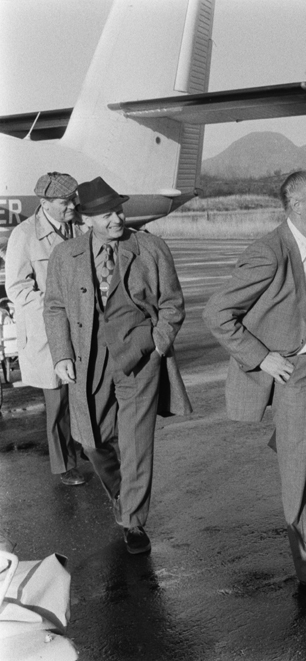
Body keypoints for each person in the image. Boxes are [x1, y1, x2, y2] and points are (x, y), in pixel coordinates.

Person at [203, 170, 306, 596]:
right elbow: (217, 313)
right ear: (297, 206)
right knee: (295, 478)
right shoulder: (269, 252)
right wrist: (262, 357)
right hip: (298, 376)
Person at [44, 176, 190, 554]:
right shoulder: (66, 256)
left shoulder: (150, 248)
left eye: (119, 210)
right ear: (87, 219)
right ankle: (123, 496)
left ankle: (133, 522)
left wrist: (157, 344)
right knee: (91, 441)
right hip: (87, 361)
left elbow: (172, 304)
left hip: (140, 359)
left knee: (137, 444)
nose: (117, 219)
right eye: (106, 214)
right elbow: (55, 307)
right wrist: (61, 355)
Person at [4, 173, 86, 486]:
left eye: (73, 200)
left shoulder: (78, 226)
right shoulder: (24, 236)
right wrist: (57, 302)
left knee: (86, 391)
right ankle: (64, 465)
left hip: (82, 324)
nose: (72, 207)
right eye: (65, 202)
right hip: (46, 330)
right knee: (58, 399)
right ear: (45, 204)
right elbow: (18, 289)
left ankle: (88, 444)